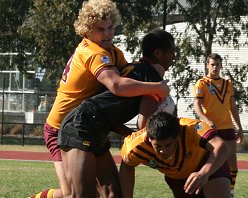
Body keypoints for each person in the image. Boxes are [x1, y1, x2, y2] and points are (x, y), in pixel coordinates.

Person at [29, 0, 170, 197]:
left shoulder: (112, 51)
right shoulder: (93, 52)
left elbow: (129, 76)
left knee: (110, 192)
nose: (107, 33)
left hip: (89, 123)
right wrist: (158, 88)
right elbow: (117, 85)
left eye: (110, 27)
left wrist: (150, 70)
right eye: (100, 29)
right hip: (60, 126)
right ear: (87, 30)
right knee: (71, 193)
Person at [57, 29, 176, 197]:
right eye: (171, 51)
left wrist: (131, 136)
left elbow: (112, 114)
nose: (174, 57)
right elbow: (143, 124)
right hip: (82, 125)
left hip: (93, 125)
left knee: (112, 193)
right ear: (158, 53)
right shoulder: (152, 78)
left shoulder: (134, 68)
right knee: (83, 195)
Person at [119, 111, 231, 198]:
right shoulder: (135, 146)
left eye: (168, 145)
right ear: (149, 138)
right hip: (178, 177)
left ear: (178, 135)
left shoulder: (191, 128)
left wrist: (204, 172)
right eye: (158, 146)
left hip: (207, 163)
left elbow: (221, 147)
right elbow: (127, 166)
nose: (163, 151)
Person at [193, 53, 243, 196]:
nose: (215, 67)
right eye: (212, 64)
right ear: (207, 65)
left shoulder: (228, 84)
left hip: (227, 127)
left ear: (221, 65)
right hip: (211, 130)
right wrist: (206, 120)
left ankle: (231, 190)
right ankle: (205, 187)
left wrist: (239, 127)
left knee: (233, 164)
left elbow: (233, 106)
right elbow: (197, 104)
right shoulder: (202, 83)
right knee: (209, 163)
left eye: (218, 64)